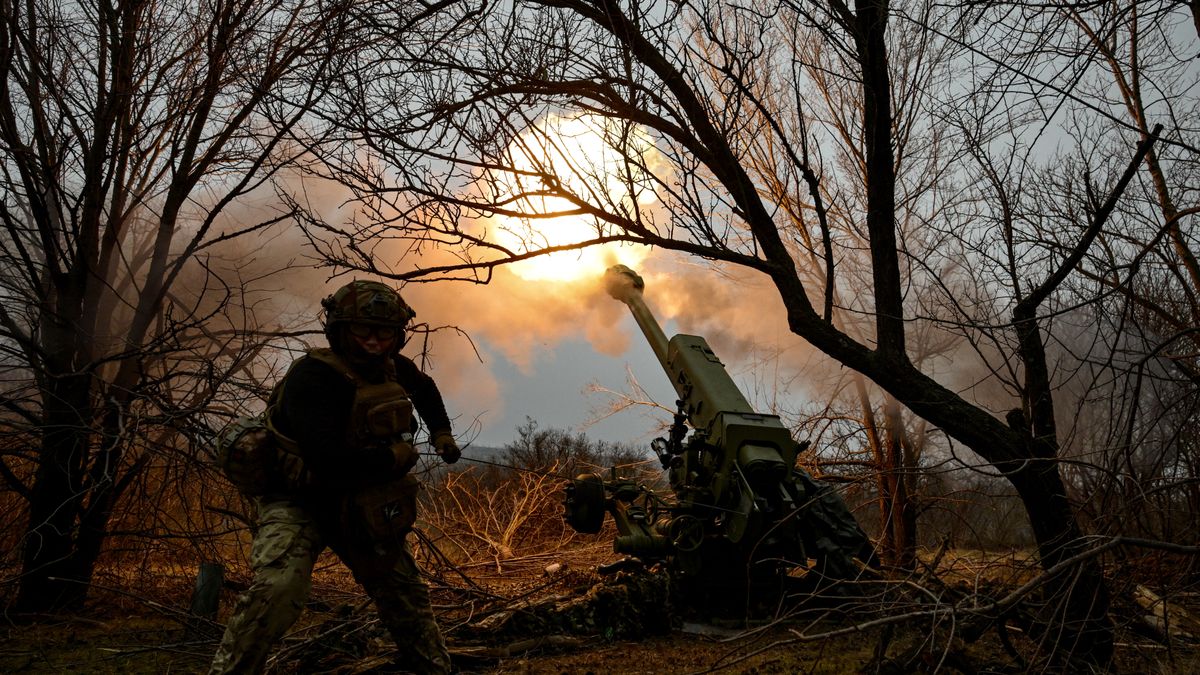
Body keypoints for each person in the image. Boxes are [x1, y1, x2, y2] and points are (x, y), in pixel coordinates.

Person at [210, 280, 462, 674]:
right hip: (298, 502)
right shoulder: (312, 378)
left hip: (364, 502)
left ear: (398, 336)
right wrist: (393, 456)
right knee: (277, 590)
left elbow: (425, 390)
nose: (375, 341)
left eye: (386, 332)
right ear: (341, 330)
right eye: (364, 331)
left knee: (404, 594)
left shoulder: (395, 368)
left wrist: (441, 433)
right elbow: (328, 461)